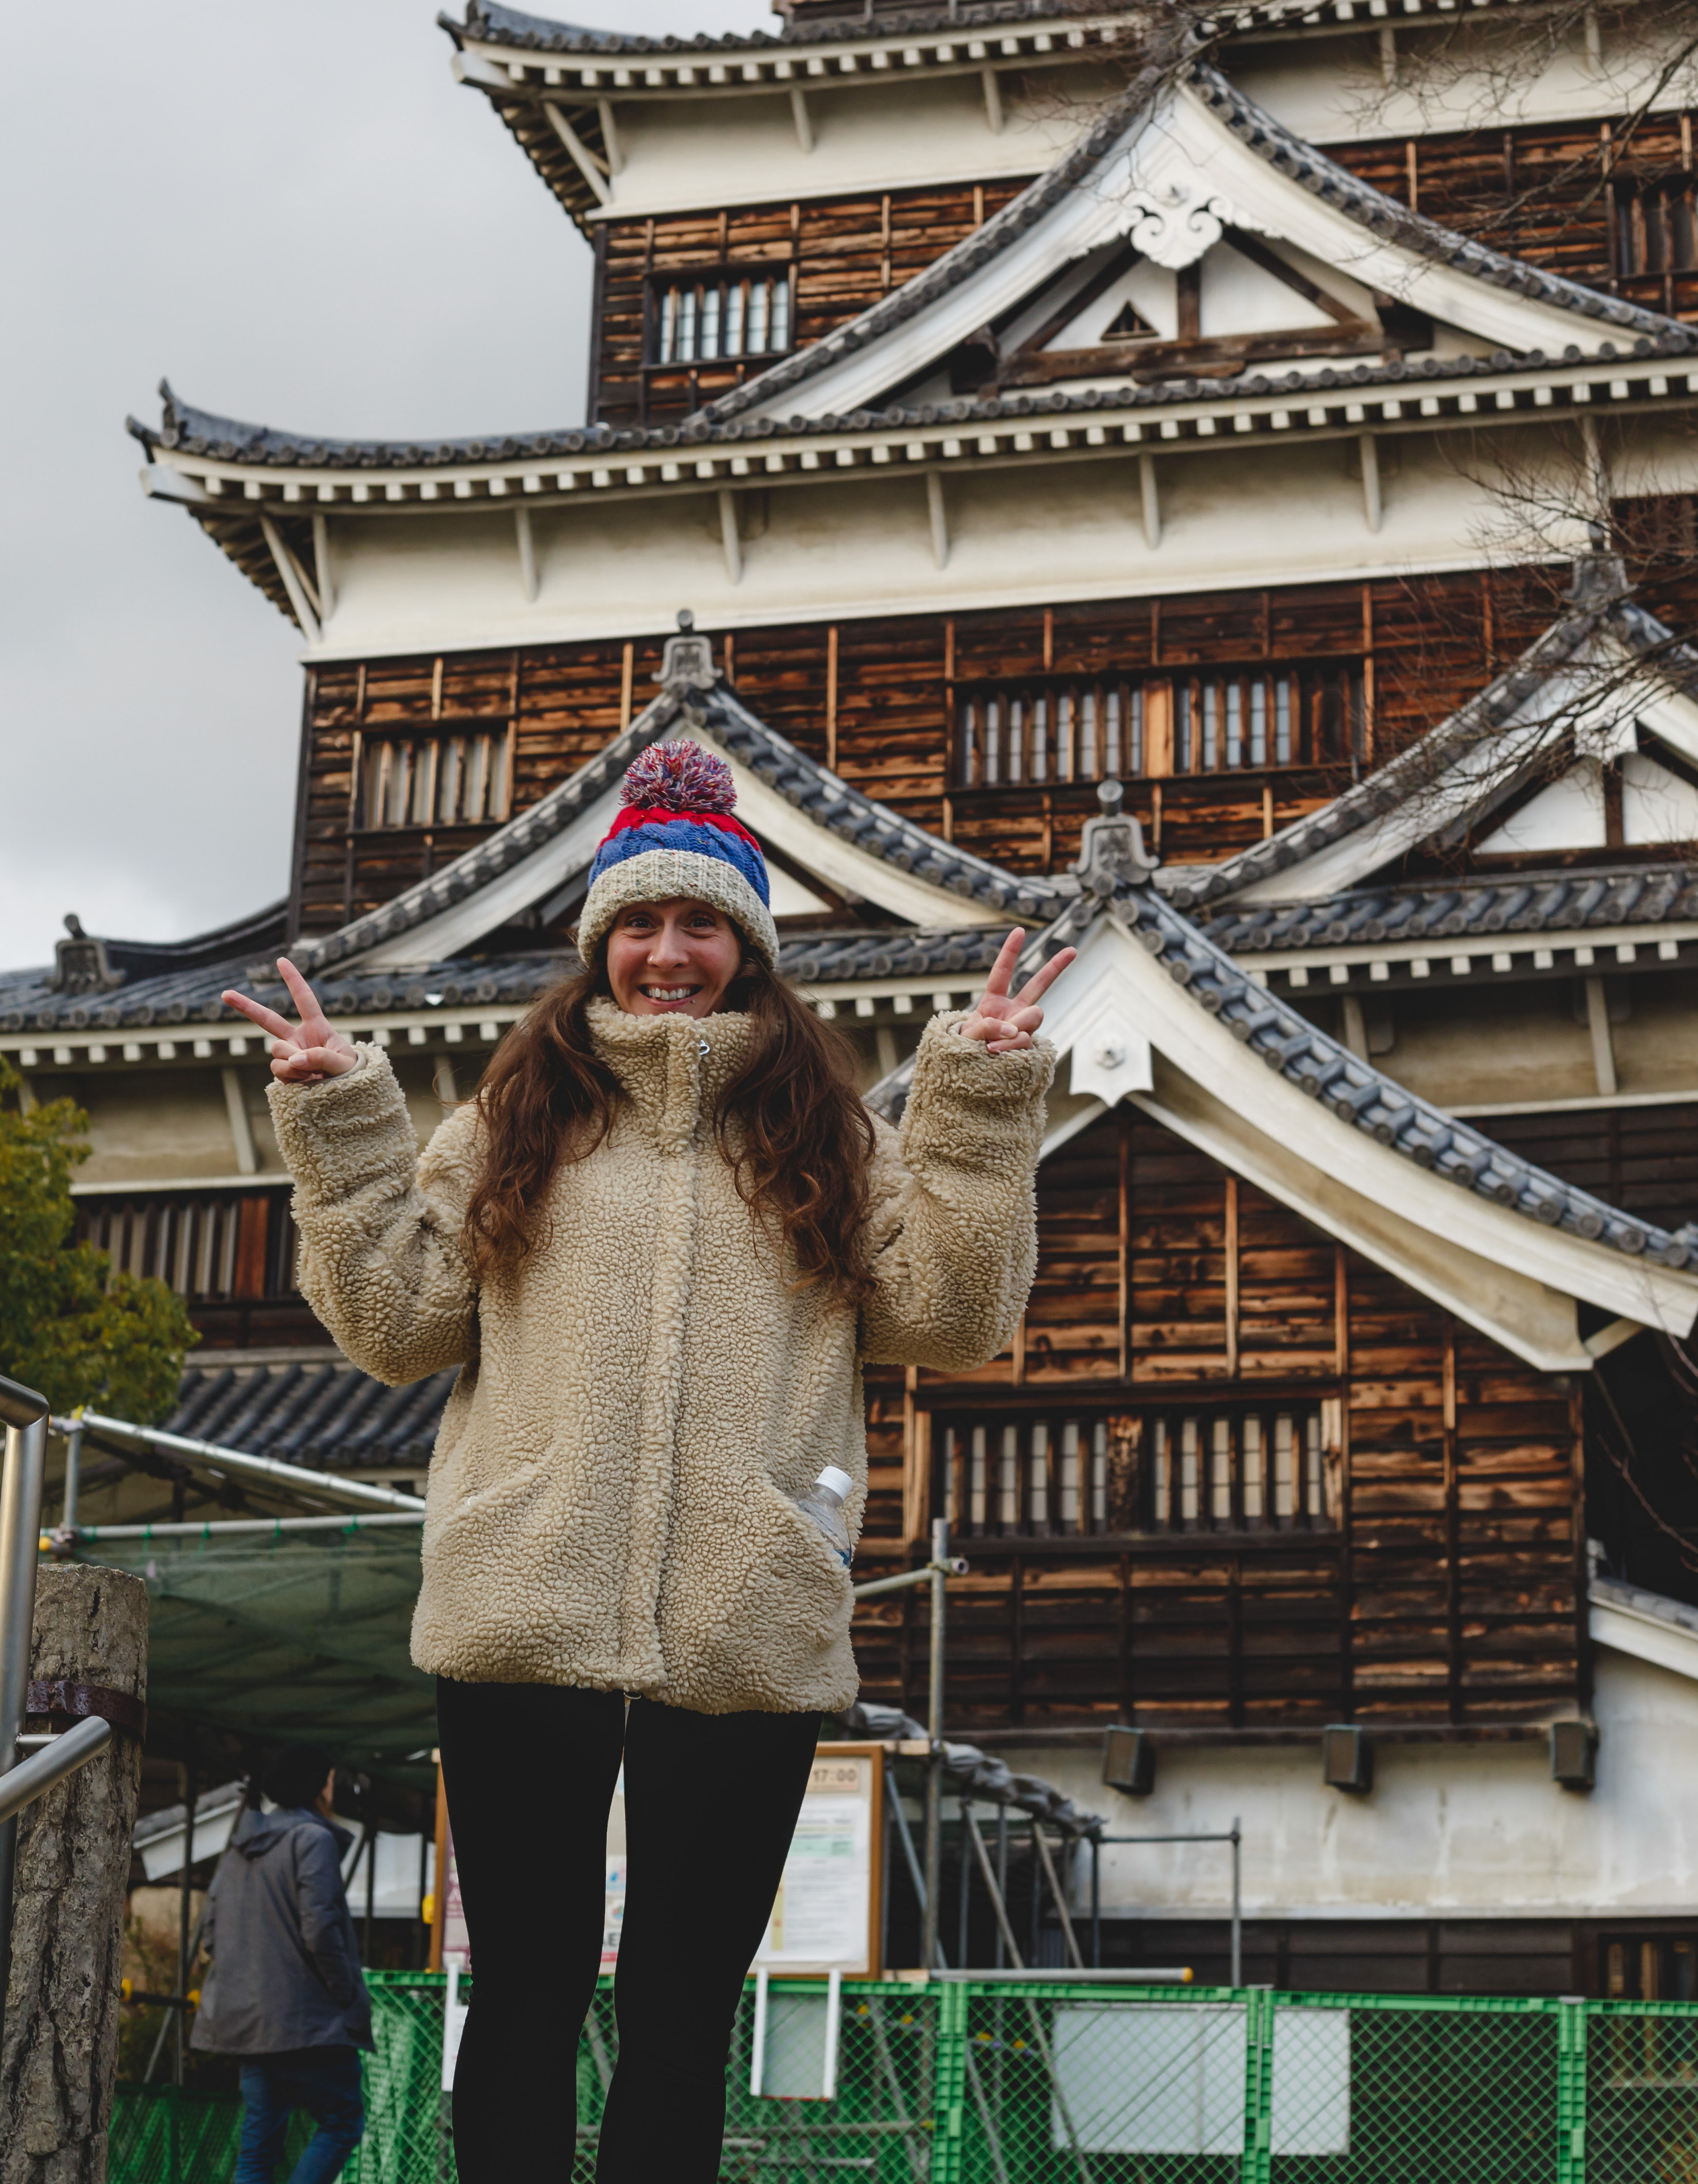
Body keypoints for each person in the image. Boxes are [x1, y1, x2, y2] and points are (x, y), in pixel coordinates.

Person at [221, 738, 1069, 2184]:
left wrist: (979, 1113)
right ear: (596, 942)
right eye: (637, 924)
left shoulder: (830, 1135)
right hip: (519, 1604)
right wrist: (345, 1131)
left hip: (750, 1611)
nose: (665, 955)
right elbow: (394, 1330)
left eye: (699, 926)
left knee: (685, 2008)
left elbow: (952, 1318)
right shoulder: (511, 1126)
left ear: (747, 948)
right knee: (528, 1998)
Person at [189, 1743, 370, 2184]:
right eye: (330, 1779)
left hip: (248, 2025)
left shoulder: (239, 1847)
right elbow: (321, 1930)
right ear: (319, 1787)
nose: (333, 1788)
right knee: (343, 2121)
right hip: (309, 2023)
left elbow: (210, 1933)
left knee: (259, 2148)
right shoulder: (314, 1840)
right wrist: (345, 1992)